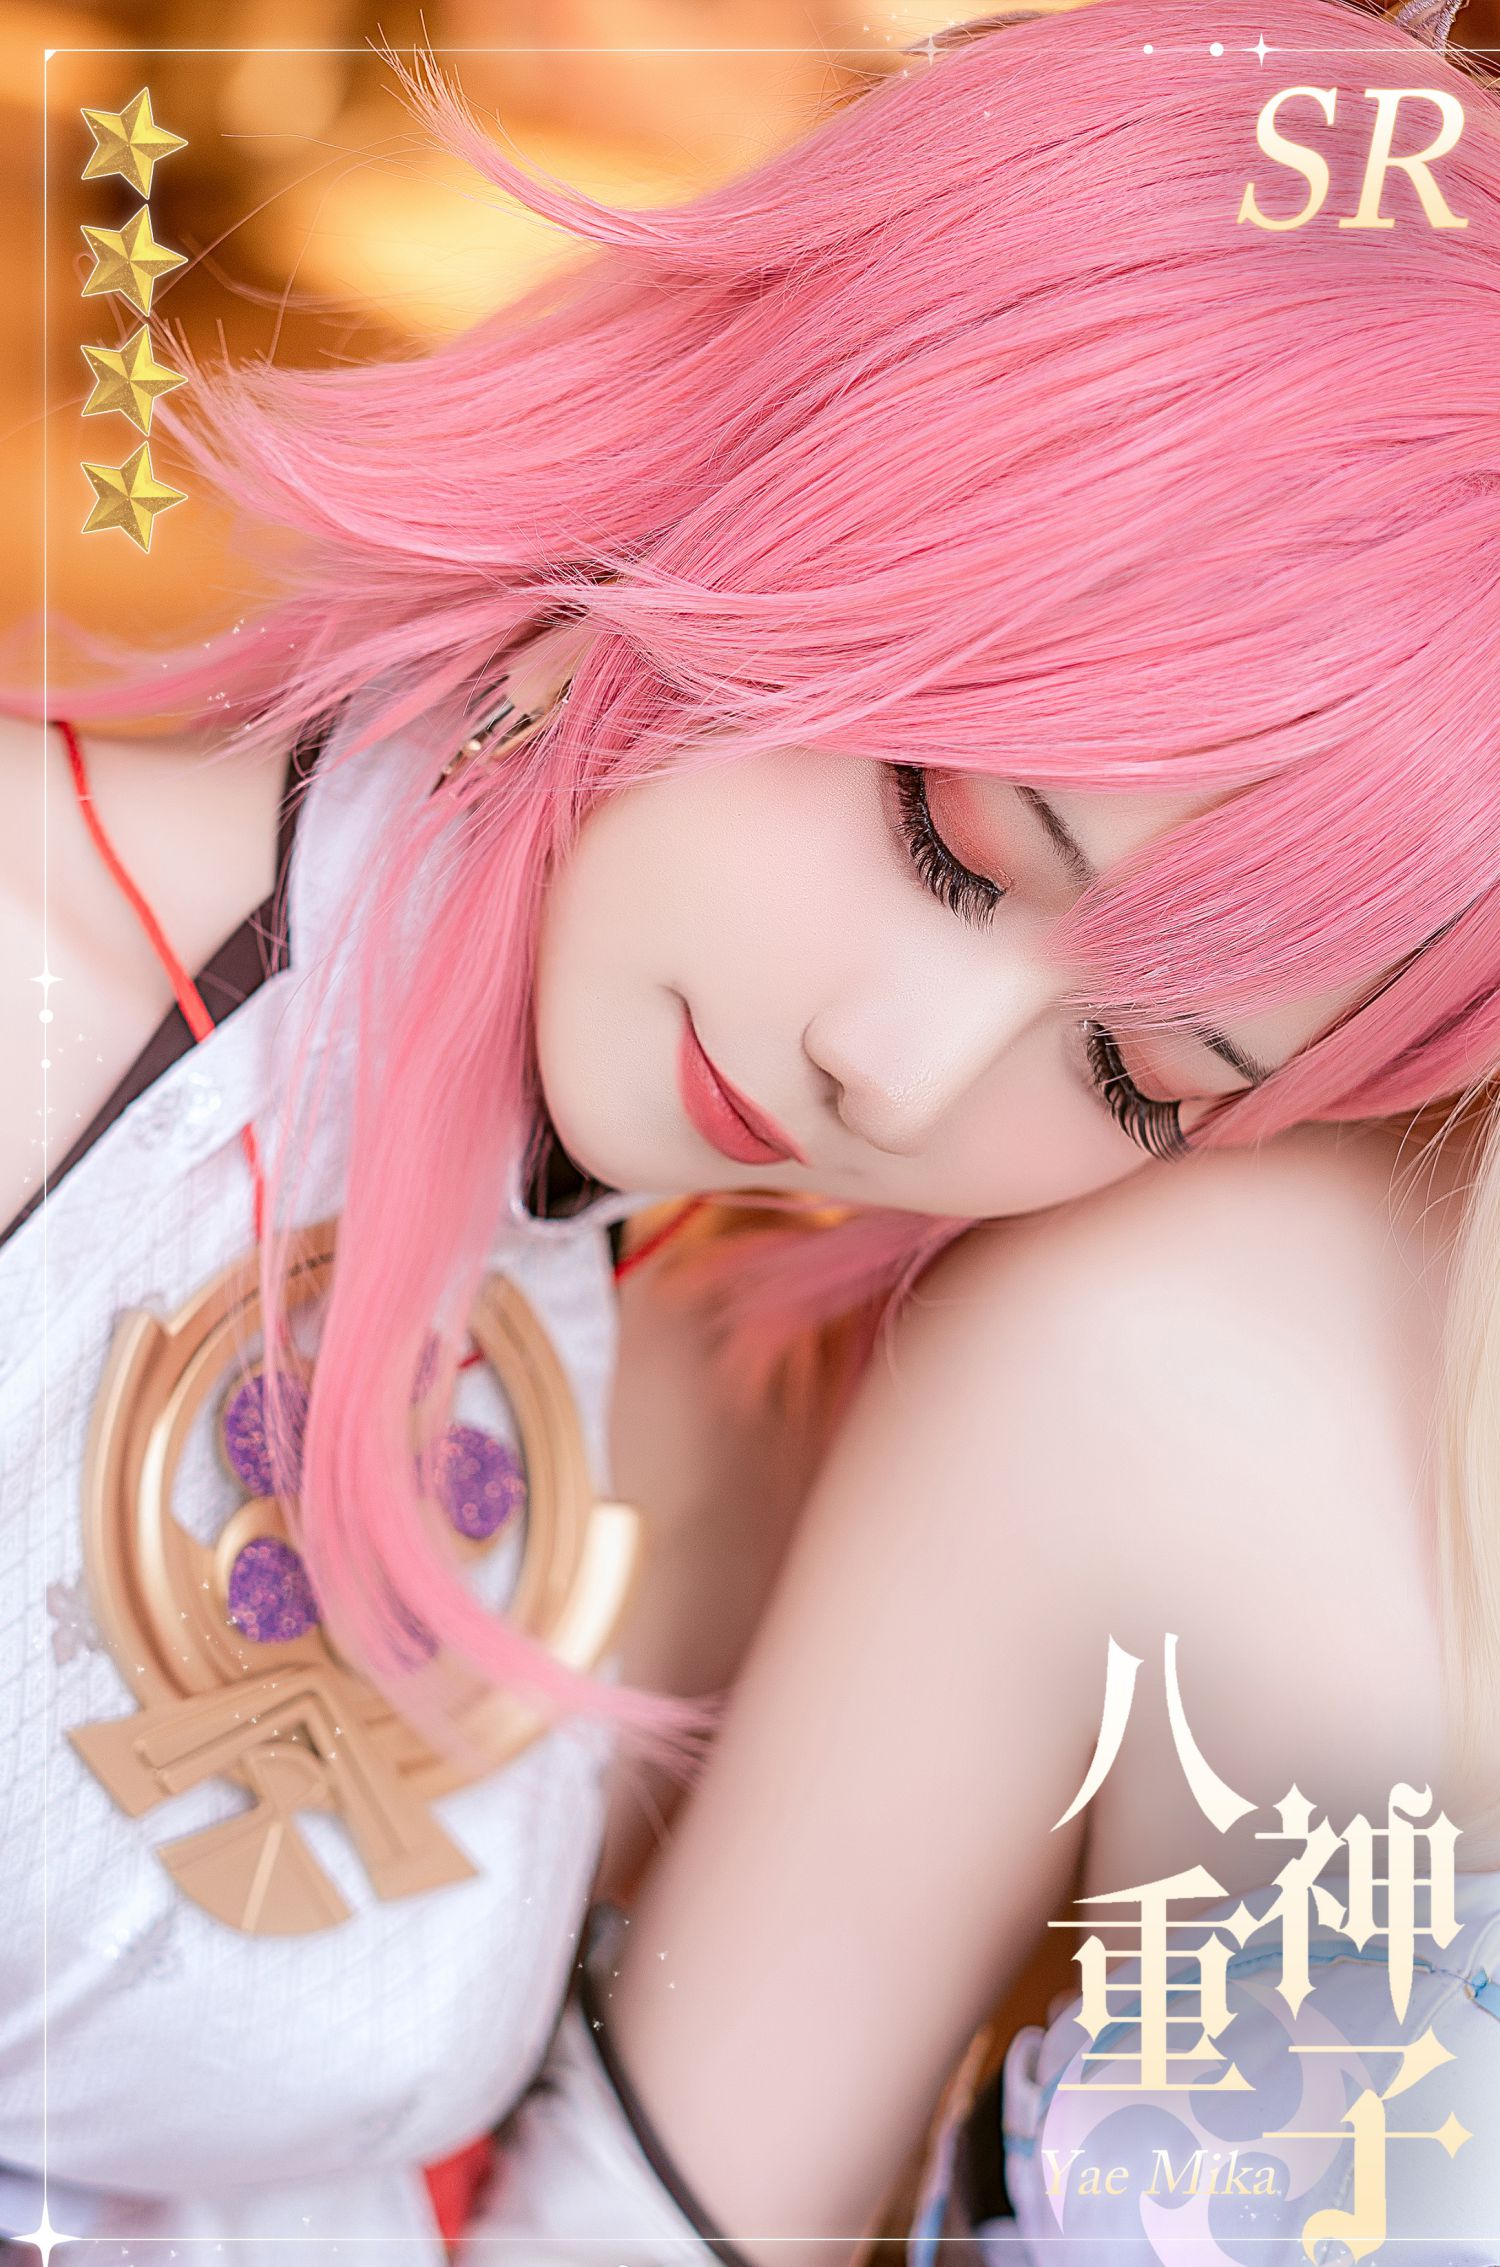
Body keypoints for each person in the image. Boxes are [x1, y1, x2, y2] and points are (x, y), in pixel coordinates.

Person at [3, 0, 1498, 2257]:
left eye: (1138, 1078)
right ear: (812, 457)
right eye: (954, 842)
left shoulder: (686, 1384)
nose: (900, 1073)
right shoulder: (41, 975)